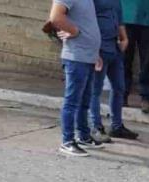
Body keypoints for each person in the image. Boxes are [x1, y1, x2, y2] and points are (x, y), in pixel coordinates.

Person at [49, 0, 102, 157]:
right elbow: (56, 17)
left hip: (87, 56)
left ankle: (84, 136)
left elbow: (87, 23)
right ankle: (67, 141)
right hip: (76, 57)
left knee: (84, 101)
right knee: (72, 101)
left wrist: (95, 53)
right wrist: (74, 31)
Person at [89, 0, 139, 142]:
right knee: (95, 89)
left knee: (119, 87)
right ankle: (96, 126)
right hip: (100, 46)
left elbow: (119, 17)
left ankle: (117, 126)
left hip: (115, 46)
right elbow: (88, 20)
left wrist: (125, 38)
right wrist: (94, 49)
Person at [121, 0, 149, 113]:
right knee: (125, 59)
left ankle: (146, 97)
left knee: (146, 61)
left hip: (146, 17)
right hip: (126, 16)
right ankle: (122, 94)